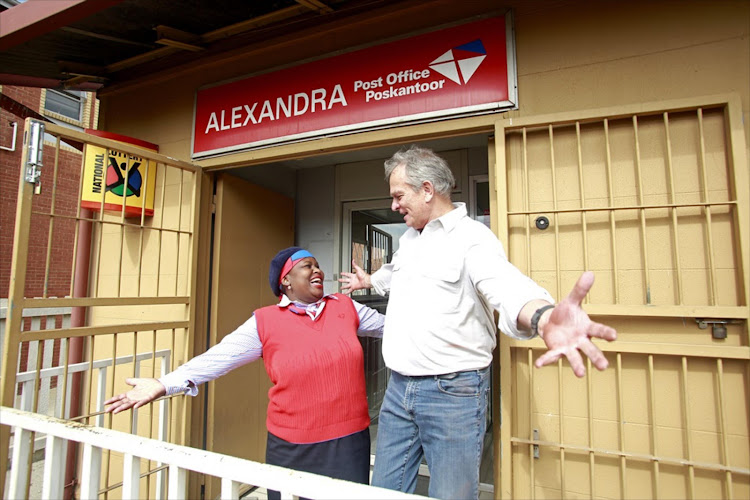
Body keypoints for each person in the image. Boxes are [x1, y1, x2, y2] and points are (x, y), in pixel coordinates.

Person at [339, 145, 617, 499]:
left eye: (398, 195)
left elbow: (506, 285)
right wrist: (370, 282)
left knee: (451, 494)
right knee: (384, 491)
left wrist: (543, 316)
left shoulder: (472, 239)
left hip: (451, 393)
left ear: (427, 189)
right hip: (398, 390)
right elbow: (396, 274)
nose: (394, 205)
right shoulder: (411, 239)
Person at [105, 247, 385, 498]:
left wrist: (381, 282)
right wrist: (165, 383)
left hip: (349, 441)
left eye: (318, 265)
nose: (318, 270)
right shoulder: (265, 321)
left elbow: (396, 327)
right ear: (285, 280)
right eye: (307, 266)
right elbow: (220, 356)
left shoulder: (345, 307)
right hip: (292, 446)